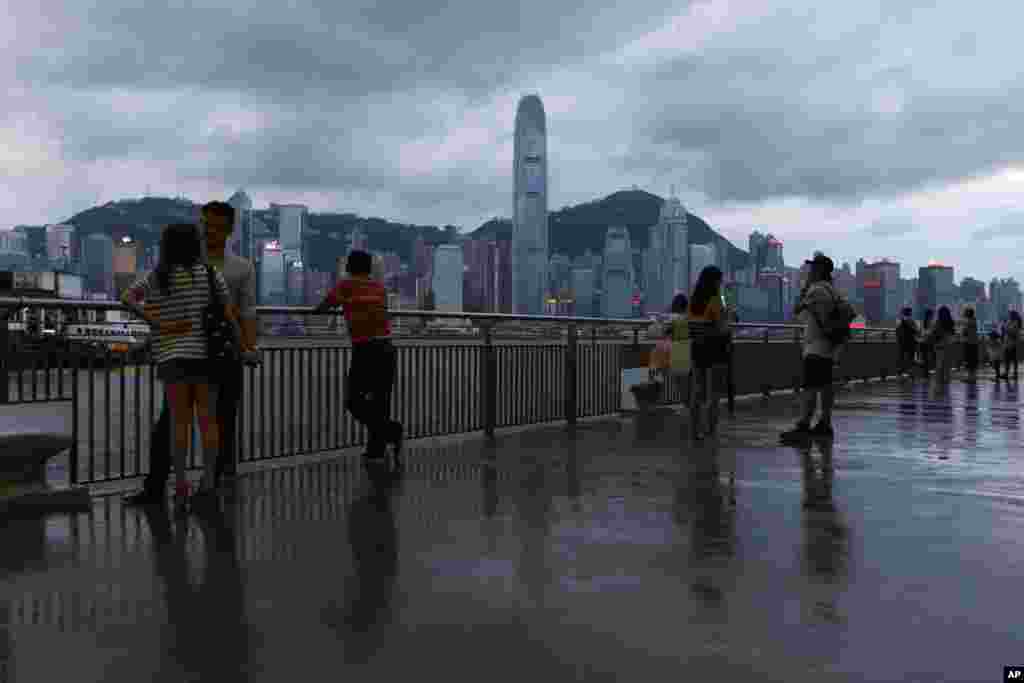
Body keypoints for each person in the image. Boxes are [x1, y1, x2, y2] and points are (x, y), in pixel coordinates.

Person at [121, 223, 238, 504]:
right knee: (208, 422)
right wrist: (243, 346)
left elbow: (126, 298)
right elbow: (229, 314)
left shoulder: (157, 277)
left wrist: (159, 324)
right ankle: (208, 482)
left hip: (171, 358)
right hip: (205, 359)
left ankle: (182, 484)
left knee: (179, 424)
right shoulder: (210, 275)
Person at [313, 250, 403, 464]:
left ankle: (391, 430)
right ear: (370, 268)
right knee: (380, 401)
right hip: (387, 348)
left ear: (348, 267)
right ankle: (376, 450)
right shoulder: (379, 288)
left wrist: (329, 308)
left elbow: (324, 307)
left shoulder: (345, 285)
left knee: (354, 401)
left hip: (365, 349)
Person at [200, 201, 259, 487]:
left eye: (216, 227)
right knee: (174, 418)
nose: (209, 231)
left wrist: (249, 347)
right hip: (191, 349)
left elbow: (248, 311)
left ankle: (223, 473)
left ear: (229, 231)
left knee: (226, 415)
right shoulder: (185, 262)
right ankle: (160, 482)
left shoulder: (242, 267)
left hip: (228, 351)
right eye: (206, 225)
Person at [780, 253, 854, 442]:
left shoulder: (816, 291)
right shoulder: (832, 291)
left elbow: (796, 310)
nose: (809, 270)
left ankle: (804, 424)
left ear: (819, 270)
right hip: (829, 346)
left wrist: (805, 287)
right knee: (825, 387)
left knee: (810, 388)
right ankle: (825, 424)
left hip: (815, 347)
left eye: (812, 267)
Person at [687, 266, 731, 440]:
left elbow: (690, 325)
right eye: (720, 280)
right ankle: (711, 431)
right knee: (714, 393)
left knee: (697, 390)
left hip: (697, 347)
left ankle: (694, 430)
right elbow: (722, 327)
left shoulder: (693, 301)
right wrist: (728, 318)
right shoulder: (716, 300)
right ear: (715, 281)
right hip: (715, 347)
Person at [923, 306, 956, 384]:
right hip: (948, 345)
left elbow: (934, 333)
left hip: (940, 345)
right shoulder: (951, 322)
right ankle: (946, 379)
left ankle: (940, 380)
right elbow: (953, 333)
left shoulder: (938, 322)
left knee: (939, 364)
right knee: (947, 364)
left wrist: (929, 339)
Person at [895, 307, 918, 377]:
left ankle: (900, 372)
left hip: (902, 343)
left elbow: (897, 331)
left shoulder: (899, 322)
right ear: (910, 313)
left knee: (901, 358)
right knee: (910, 359)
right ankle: (910, 373)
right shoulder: (912, 321)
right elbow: (916, 331)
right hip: (911, 343)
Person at [960, 307, 979, 379]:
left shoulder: (968, 322)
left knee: (969, 360)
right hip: (974, 343)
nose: (964, 313)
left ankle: (970, 377)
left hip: (969, 343)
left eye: (965, 312)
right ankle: (973, 376)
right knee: (973, 361)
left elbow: (965, 332)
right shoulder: (974, 320)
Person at [1002, 311, 1022, 380]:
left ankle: (1013, 374)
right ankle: (1008, 373)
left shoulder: (1015, 322)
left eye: (1010, 314)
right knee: (1008, 359)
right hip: (1008, 343)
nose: (1009, 315)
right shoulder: (1010, 321)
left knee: (1012, 359)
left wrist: (1006, 328)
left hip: (1012, 344)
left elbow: (1013, 332)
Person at [919, 308, 935, 375]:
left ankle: (925, 372)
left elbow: (921, 332)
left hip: (923, 342)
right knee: (929, 357)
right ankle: (926, 371)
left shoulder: (923, 322)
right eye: (932, 315)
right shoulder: (930, 322)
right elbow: (930, 332)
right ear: (930, 315)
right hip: (928, 342)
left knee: (924, 358)